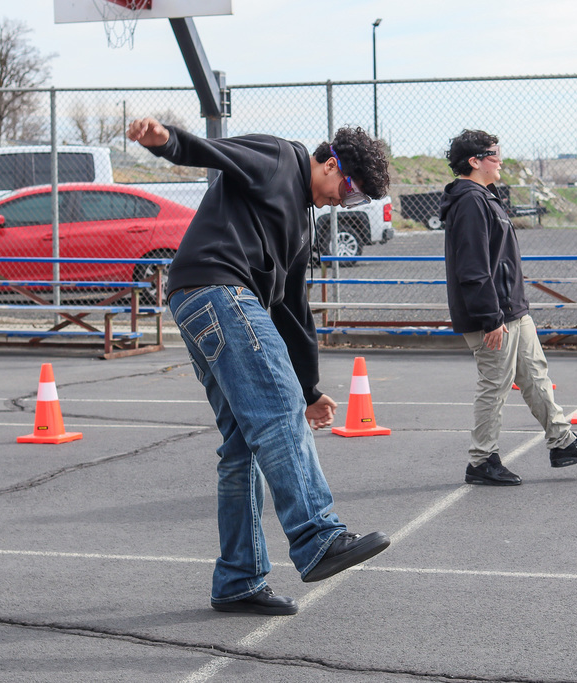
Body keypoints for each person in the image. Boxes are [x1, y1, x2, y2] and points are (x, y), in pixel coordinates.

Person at [127, 118, 391, 615]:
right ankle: (317, 536)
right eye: (348, 191)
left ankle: (237, 580)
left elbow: (293, 308)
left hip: (201, 299)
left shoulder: (301, 224)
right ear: (332, 164)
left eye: (356, 204)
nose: (343, 202)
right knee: (277, 407)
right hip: (218, 287)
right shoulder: (279, 157)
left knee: (242, 445)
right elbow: (215, 153)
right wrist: (167, 142)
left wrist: (310, 389)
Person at [439, 129, 577, 486]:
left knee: (535, 375)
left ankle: (562, 442)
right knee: (494, 385)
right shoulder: (470, 202)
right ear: (475, 161)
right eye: (494, 153)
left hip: (512, 309)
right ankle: (481, 460)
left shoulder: (486, 198)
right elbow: (473, 268)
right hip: (495, 315)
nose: (500, 159)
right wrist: (490, 318)